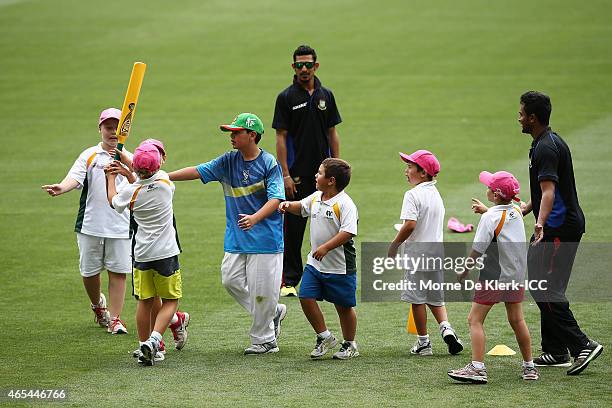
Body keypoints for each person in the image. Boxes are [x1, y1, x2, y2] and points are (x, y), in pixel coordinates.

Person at [168, 113, 287, 355]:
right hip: (237, 237)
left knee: (262, 292)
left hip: (265, 239)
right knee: (230, 280)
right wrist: (163, 177)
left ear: (252, 135)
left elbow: (276, 198)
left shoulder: (269, 163)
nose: (231, 137)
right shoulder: (228, 161)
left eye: (236, 132)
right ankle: (272, 313)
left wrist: (255, 218)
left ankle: (264, 340)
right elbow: (198, 170)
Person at [518, 91, 602, 375]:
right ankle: (555, 351)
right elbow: (547, 189)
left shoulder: (545, 148)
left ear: (533, 118)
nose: (518, 117)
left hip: (557, 227)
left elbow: (550, 192)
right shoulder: (546, 143)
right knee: (547, 285)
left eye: (521, 113)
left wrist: (539, 224)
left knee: (545, 286)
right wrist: (528, 208)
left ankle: (582, 345)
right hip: (558, 224)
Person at [41, 108, 133, 334]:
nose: (112, 132)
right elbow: (75, 177)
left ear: (124, 131)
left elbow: (141, 177)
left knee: (118, 272)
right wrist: (61, 188)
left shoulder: (129, 157)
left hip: (120, 225)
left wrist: (125, 162)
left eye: (116, 128)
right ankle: (98, 307)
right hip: (90, 225)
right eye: (108, 128)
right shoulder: (89, 155)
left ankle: (116, 319)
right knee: (89, 272)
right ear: (100, 128)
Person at [448, 171, 539, 384]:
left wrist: (464, 269)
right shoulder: (516, 209)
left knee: (475, 320)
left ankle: (477, 368)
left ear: (496, 194)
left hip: (493, 275)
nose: (486, 188)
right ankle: (529, 367)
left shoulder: (490, 218)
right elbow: (517, 210)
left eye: (489, 186)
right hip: (515, 275)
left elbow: (478, 249)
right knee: (517, 320)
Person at [106, 138, 190, 358]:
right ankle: (154, 340)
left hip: (141, 254)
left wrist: (111, 177)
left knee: (145, 301)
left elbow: (113, 201)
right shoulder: (165, 182)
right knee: (171, 300)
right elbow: (142, 169)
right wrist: (126, 165)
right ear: (159, 164)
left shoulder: (131, 192)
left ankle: (144, 344)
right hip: (166, 253)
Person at [273, 44, 342, 297]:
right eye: (299, 65)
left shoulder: (327, 95)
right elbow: (281, 137)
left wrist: (338, 166)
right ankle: (289, 280)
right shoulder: (286, 98)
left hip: (325, 174)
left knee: (330, 225)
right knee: (293, 228)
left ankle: (327, 275)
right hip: (297, 175)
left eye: (308, 64)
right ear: (293, 67)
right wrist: (285, 173)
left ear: (316, 66)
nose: (304, 69)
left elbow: (332, 132)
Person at [279, 158, 359, 359]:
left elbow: (348, 232)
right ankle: (324, 336)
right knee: (305, 296)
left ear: (331, 180)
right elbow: (302, 207)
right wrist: (288, 205)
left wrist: (325, 247)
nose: (316, 175)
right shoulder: (316, 197)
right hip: (315, 264)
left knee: (344, 307)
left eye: (320, 173)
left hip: (340, 266)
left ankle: (350, 344)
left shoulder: (345, 204)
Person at [388, 150, 463, 356]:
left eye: (410, 167)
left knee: (417, 299)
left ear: (423, 173)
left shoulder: (412, 195)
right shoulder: (435, 195)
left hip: (417, 255)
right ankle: (446, 327)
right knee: (435, 296)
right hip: (436, 253)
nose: (406, 171)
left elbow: (410, 225)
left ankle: (423, 342)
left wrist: (395, 244)